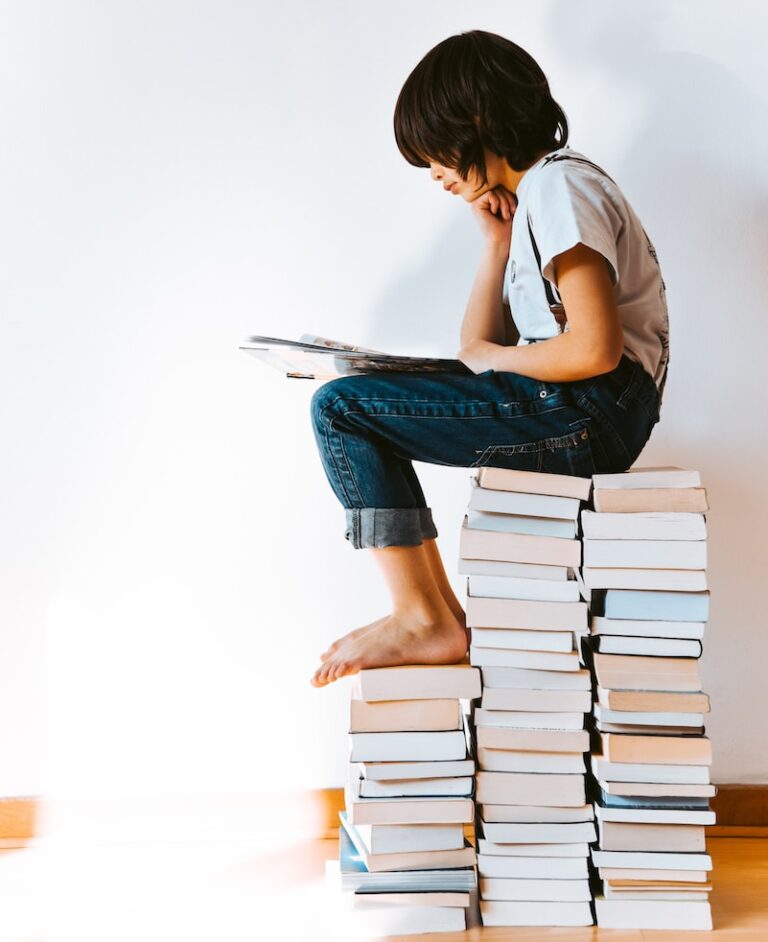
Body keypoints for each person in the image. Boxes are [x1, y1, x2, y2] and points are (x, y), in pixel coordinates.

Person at [310, 30, 668, 688]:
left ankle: (423, 617)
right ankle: (435, 612)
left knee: (340, 411)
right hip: (576, 401)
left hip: (593, 405)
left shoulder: (562, 188)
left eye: (434, 155)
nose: (436, 176)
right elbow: (475, 351)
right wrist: (495, 244)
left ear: (477, 123)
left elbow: (595, 346)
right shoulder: (537, 202)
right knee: (355, 396)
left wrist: (489, 357)